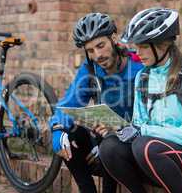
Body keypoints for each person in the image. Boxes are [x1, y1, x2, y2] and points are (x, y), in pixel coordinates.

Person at [97, 7, 182, 193]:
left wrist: (141, 130)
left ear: (162, 45)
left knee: (146, 146)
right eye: (136, 47)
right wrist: (120, 129)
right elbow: (139, 123)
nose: (137, 53)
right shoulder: (143, 77)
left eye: (143, 46)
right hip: (156, 162)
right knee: (109, 148)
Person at [48, 12, 144, 193]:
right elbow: (69, 103)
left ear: (114, 38)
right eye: (90, 51)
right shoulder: (90, 68)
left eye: (101, 46)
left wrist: (117, 131)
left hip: (136, 142)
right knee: (70, 135)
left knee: (108, 142)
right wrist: (58, 129)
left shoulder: (140, 65)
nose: (97, 55)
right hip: (104, 139)